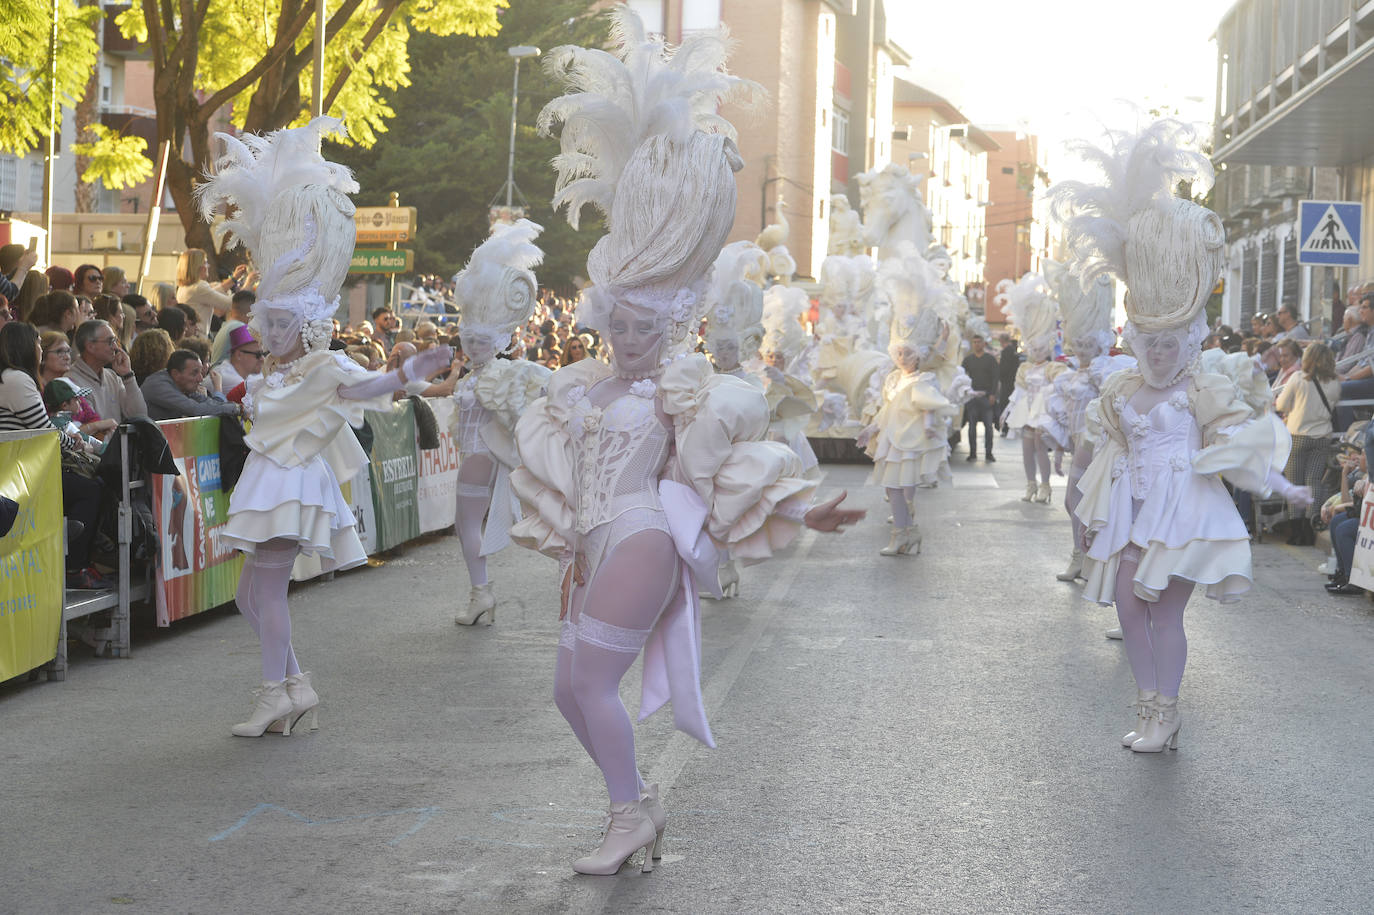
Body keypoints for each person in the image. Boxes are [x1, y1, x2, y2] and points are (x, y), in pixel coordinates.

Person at [516, 13, 863, 874]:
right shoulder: (584, 385)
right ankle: (636, 804)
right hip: (592, 546)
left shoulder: (684, 386)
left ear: (669, 322)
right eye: (619, 323)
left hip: (641, 536)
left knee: (593, 684)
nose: (629, 338)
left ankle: (630, 812)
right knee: (568, 692)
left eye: (644, 326)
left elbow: (727, 464)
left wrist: (801, 508)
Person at [1052, 119, 1310, 754]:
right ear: (1136, 340)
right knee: (1125, 607)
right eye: (1151, 342)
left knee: (1163, 611)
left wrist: (1281, 485)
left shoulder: (1203, 386)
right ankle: (1150, 707)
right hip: (1132, 513)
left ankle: (1165, 712)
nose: (1161, 352)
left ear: (1188, 339)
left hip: (1184, 514)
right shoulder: (1119, 390)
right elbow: (1101, 454)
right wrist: (1079, 515)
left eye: (1171, 342)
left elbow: (1239, 442)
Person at [196, 116, 452, 738]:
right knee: (247, 599)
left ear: (306, 325)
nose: (270, 333)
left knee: (269, 593)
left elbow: (366, 388)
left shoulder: (318, 364)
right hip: (268, 479)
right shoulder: (268, 374)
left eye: (283, 324)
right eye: (268, 323)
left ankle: (273, 693)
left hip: (292, 485)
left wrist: (409, 370)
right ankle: (294, 686)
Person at [447, 220, 553, 625]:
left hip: (481, 455)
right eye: (468, 340)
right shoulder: (477, 375)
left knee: (467, 524)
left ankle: (482, 593)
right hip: (480, 454)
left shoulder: (506, 373)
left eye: (481, 341)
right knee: (466, 526)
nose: (472, 346)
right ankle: (481, 592)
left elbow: (547, 388)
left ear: (499, 341)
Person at [857, 253, 959, 556]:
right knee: (891, 488)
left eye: (908, 355)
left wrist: (929, 428)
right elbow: (888, 409)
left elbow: (928, 406)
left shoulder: (922, 381)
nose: (902, 359)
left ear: (919, 356)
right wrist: (872, 427)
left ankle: (902, 533)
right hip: (892, 438)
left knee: (899, 487)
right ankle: (904, 533)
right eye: (899, 354)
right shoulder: (894, 381)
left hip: (909, 440)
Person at [0, 322, 108, 589]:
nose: (39, 348)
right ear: (26, 347)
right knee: (90, 489)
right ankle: (74, 566)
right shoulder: (17, 380)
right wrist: (75, 442)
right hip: (18, 473)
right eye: (38, 343)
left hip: (20, 467)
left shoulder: (12, 378)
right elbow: (45, 431)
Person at [1042, 260, 1130, 585]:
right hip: (1081, 446)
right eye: (1077, 344)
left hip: (1103, 447)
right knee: (1071, 502)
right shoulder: (1069, 376)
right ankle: (1080, 556)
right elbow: (1067, 418)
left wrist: (1097, 381)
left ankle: (1096, 560)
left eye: (1087, 345)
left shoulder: (1108, 369)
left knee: (1100, 506)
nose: (1080, 350)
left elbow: (1113, 405)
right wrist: (1056, 451)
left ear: (1100, 343)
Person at [999, 273, 1065, 503]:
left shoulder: (1053, 368)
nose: (1036, 353)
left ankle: (1045, 486)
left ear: (1047, 348)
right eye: (1032, 349)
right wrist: (1008, 410)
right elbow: (1019, 391)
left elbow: (1058, 391)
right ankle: (1030, 484)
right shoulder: (1025, 368)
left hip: (1044, 414)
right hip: (1028, 411)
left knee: (1040, 447)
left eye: (1040, 349)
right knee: (1027, 449)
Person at [1274, 343, 1340, 545]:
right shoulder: (1335, 382)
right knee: (1314, 481)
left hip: (1298, 434)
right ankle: (1311, 528)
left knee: (1295, 483)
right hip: (1322, 437)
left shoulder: (1298, 378)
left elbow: (1281, 404)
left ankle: (1296, 532)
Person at [67, 319, 147, 422]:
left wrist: (128, 375)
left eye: (115, 341)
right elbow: (92, 430)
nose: (115, 347)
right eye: (110, 341)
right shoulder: (71, 381)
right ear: (90, 346)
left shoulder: (112, 377)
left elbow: (139, 415)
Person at [39, 331, 114, 441]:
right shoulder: (38, 390)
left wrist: (90, 427)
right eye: (60, 352)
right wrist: (92, 427)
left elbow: (93, 418)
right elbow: (55, 431)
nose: (67, 357)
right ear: (43, 357)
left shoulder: (68, 383)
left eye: (68, 351)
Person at [141, 349, 241, 421]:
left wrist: (235, 407)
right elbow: (195, 409)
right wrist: (237, 409)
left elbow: (210, 404)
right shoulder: (158, 385)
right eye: (194, 373)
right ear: (176, 374)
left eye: (201, 373)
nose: (200, 379)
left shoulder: (184, 386)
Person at [176, 247, 253, 329]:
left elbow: (211, 293)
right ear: (198, 266)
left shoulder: (184, 287)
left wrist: (234, 278)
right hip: (199, 336)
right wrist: (249, 283)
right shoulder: (199, 287)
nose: (208, 266)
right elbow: (229, 304)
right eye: (205, 262)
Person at [961, 332, 998, 462]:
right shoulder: (968, 360)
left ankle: (989, 453)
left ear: (983, 343)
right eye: (974, 342)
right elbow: (961, 376)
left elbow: (995, 377)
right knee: (972, 427)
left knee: (988, 427)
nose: (977, 345)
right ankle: (972, 453)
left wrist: (993, 394)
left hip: (986, 397)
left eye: (979, 342)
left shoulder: (990, 359)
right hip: (972, 398)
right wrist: (965, 392)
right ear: (972, 344)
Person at [216, 325, 267, 390]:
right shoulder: (228, 378)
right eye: (258, 354)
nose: (263, 359)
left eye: (263, 354)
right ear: (239, 355)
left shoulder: (246, 375)